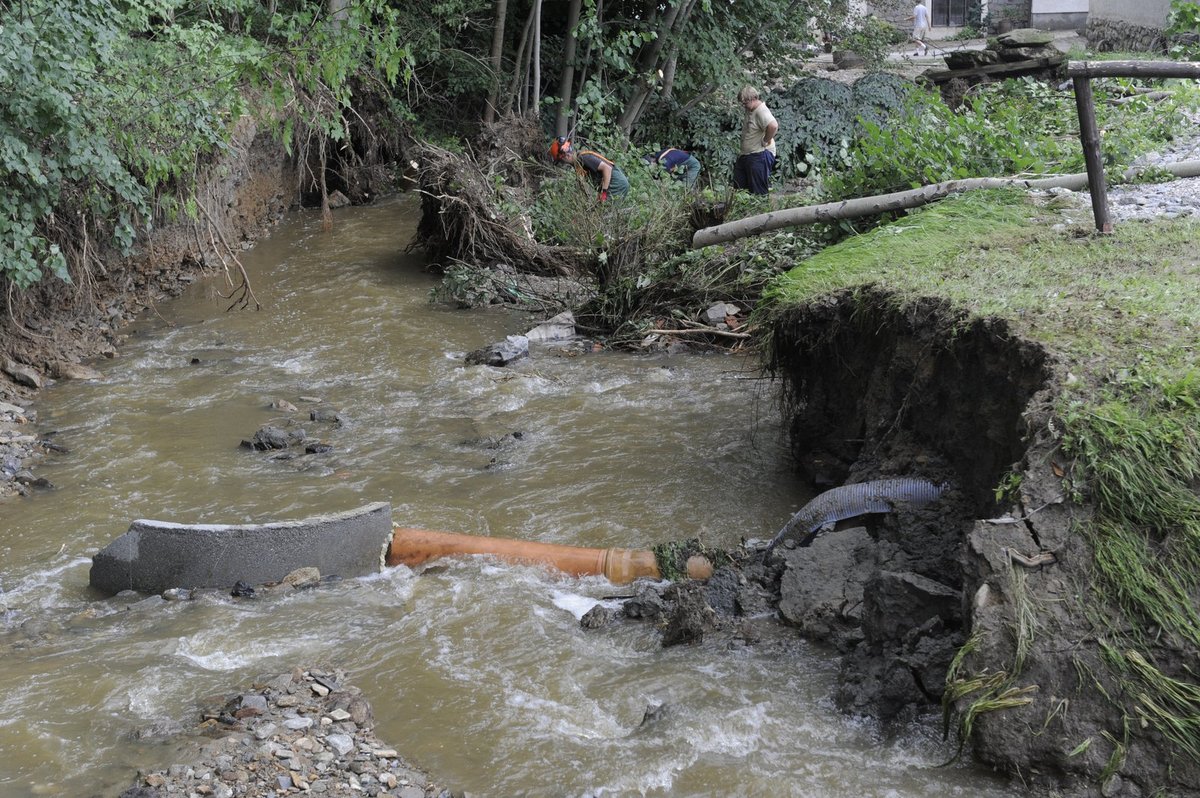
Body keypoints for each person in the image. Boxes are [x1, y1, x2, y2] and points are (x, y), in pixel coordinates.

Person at [548, 136, 629, 201]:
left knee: (606, 213)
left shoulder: (584, 158)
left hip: (616, 183)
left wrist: (604, 193)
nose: (563, 164)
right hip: (613, 183)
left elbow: (607, 168)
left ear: (566, 155)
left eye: (561, 161)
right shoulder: (578, 165)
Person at [732, 86, 778, 196]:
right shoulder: (751, 109)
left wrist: (766, 140)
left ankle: (762, 212)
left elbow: (773, 125)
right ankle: (745, 212)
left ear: (753, 98)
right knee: (740, 188)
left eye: (745, 103)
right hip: (747, 155)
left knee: (758, 193)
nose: (744, 106)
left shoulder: (761, 111)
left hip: (759, 155)